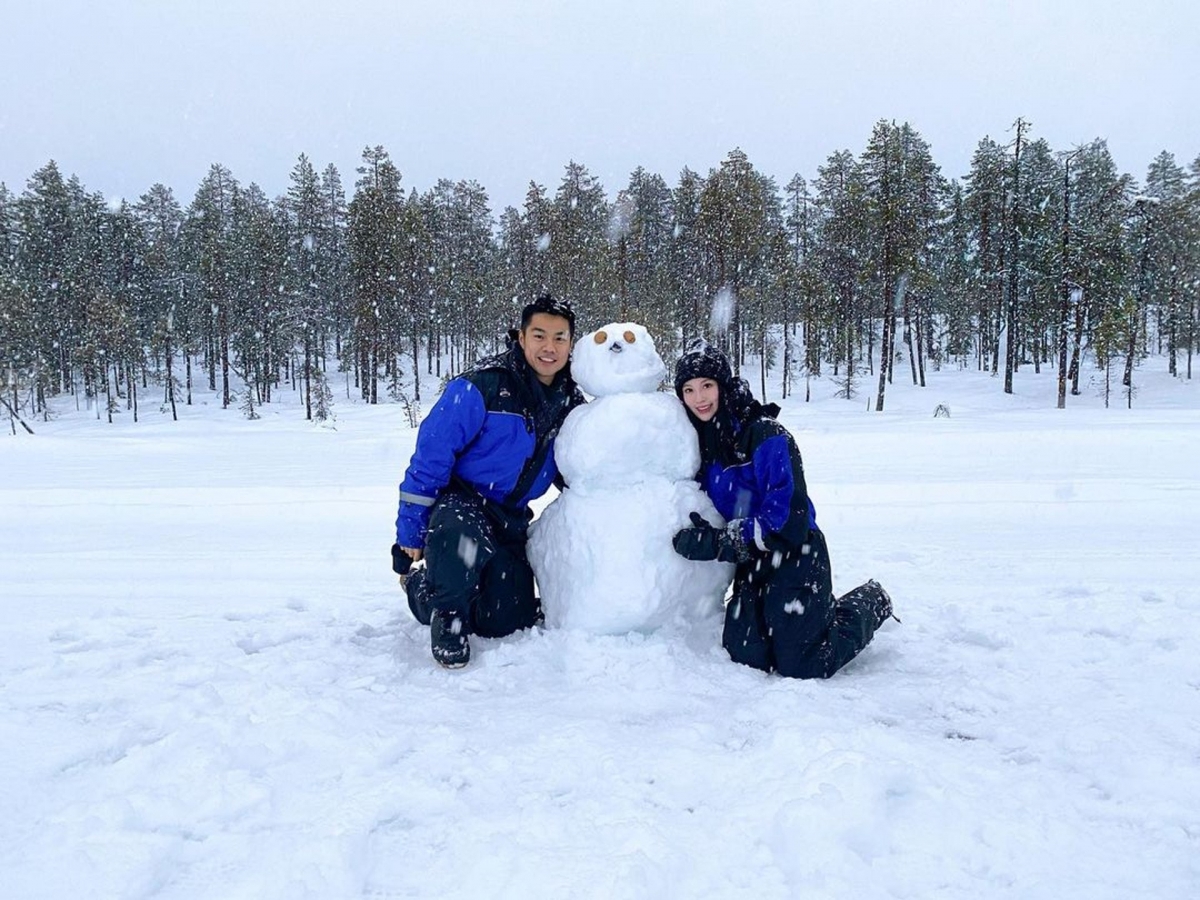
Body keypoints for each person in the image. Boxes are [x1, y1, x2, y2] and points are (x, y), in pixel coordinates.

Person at [670, 339, 895, 679]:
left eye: (707, 385)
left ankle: (871, 600)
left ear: (723, 386)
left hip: (796, 553)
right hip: (752, 559)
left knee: (804, 663)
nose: (699, 398)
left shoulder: (766, 434)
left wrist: (717, 543)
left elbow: (787, 520)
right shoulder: (702, 445)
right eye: (688, 390)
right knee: (747, 656)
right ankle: (809, 618)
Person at [392, 295, 585, 668]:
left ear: (570, 343)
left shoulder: (571, 403)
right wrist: (410, 535)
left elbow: (578, 469)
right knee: (458, 542)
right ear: (521, 337)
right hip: (462, 502)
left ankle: (465, 597)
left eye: (559, 338)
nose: (549, 347)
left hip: (511, 516)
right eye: (539, 335)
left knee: (506, 619)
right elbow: (430, 460)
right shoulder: (481, 386)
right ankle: (439, 607)